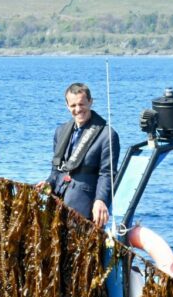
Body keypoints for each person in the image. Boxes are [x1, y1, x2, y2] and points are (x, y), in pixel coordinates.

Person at [38, 82, 120, 227]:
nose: (78, 109)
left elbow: (108, 173)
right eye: (73, 105)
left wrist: (100, 200)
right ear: (67, 105)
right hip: (58, 201)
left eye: (82, 104)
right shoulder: (60, 131)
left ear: (90, 102)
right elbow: (56, 170)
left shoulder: (107, 135)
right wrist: (48, 183)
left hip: (85, 204)